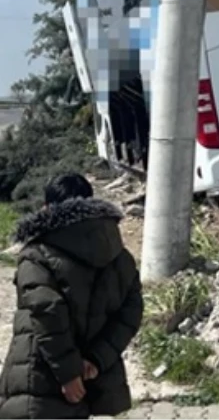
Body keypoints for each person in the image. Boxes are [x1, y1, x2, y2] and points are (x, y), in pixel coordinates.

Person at [0, 173, 143, 420]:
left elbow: (48, 312)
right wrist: (96, 359)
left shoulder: (38, 254)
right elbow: (131, 312)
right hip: (91, 381)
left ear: (47, 208)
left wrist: (68, 374)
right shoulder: (119, 255)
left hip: (39, 377)